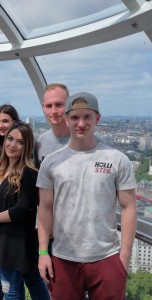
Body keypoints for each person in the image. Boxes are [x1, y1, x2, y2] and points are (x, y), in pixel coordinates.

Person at [37, 92, 137, 299]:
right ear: (67, 119)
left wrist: (124, 257)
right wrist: (43, 253)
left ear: (97, 118)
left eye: (87, 117)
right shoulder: (51, 162)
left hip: (107, 257)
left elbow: (129, 207)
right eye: (74, 117)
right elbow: (45, 208)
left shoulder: (117, 159)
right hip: (63, 258)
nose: (81, 123)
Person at [0, 121, 49, 300]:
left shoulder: (29, 173)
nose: (12, 145)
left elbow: (21, 209)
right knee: (33, 280)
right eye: (10, 139)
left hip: (15, 242)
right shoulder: (2, 170)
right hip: (5, 239)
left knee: (10, 292)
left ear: (26, 146)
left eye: (20, 142)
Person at [0, 104, 21, 300]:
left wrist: (2, 166)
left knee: (10, 285)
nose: (1, 125)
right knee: (0, 278)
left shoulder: (18, 155)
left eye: (5, 121)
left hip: (12, 228)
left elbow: (22, 199)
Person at [34, 83, 70, 168]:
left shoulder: (88, 142)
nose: (54, 111)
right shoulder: (41, 142)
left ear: (69, 104)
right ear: (44, 108)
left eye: (59, 105)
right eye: (49, 106)